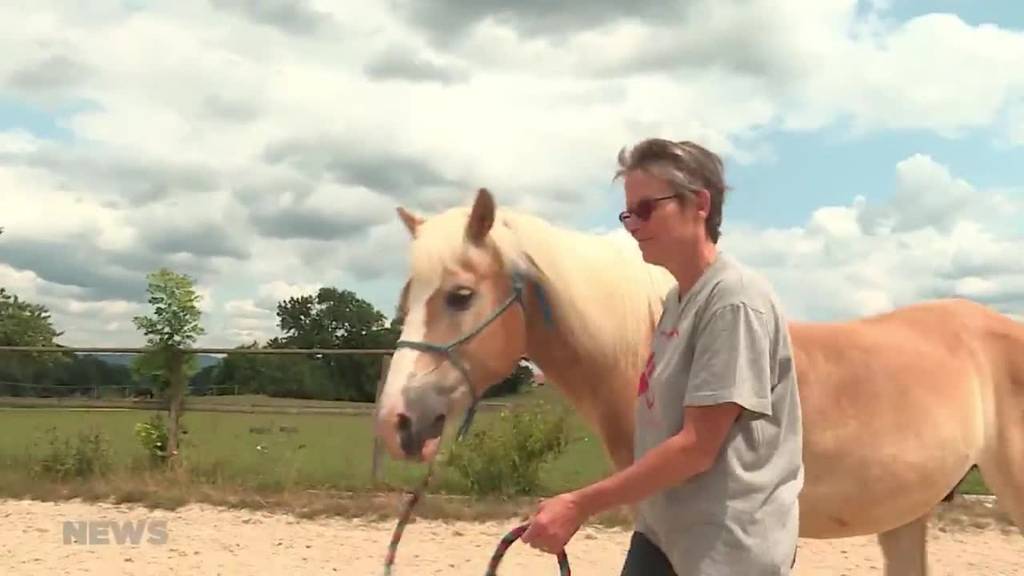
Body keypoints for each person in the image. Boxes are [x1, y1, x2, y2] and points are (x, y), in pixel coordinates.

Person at [520, 138, 804, 575]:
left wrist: (579, 504)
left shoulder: (734, 302)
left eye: (647, 209)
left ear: (700, 204)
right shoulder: (678, 299)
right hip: (665, 531)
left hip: (725, 549)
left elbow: (696, 447)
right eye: (628, 212)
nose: (632, 224)